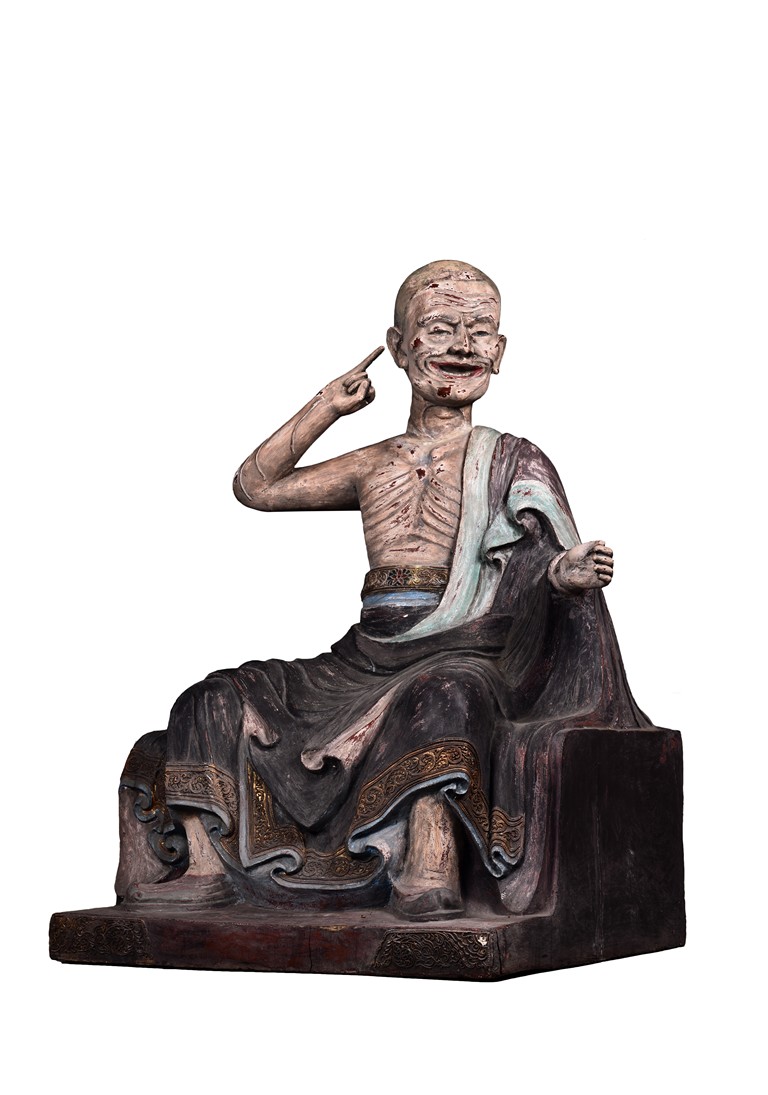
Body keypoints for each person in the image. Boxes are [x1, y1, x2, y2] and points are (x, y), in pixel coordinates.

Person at [118, 260, 648, 920]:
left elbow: (545, 559)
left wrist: (562, 576)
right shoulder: (373, 461)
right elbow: (256, 486)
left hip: (470, 649)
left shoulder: (514, 460)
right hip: (364, 658)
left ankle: (428, 864)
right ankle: (207, 866)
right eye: (440, 328)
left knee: (444, 696)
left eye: (480, 331)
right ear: (399, 346)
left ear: (500, 351)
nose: (462, 346)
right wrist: (325, 408)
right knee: (214, 696)